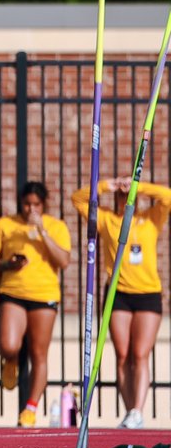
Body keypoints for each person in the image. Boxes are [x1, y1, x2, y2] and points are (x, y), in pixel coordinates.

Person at [72, 176, 171, 429]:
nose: (127, 200)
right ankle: (129, 412)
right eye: (122, 196)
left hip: (148, 294)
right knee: (123, 355)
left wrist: (138, 185)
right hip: (118, 294)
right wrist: (110, 185)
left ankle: (138, 410)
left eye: (131, 197)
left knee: (140, 354)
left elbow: (168, 197)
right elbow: (78, 199)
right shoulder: (108, 220)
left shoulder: (151, 218)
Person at [0, 180, 71, 428]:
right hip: (14, 292)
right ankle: (10, 359)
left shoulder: (56, 226)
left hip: (44, 295)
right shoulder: (6, 224)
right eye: (27, 204)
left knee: (39, 354)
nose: (31, 209)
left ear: (44, 204)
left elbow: (63, 260)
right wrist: (8, 264)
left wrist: (42, 231)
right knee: (8, 345)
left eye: (36, 204)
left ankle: (30, 409)